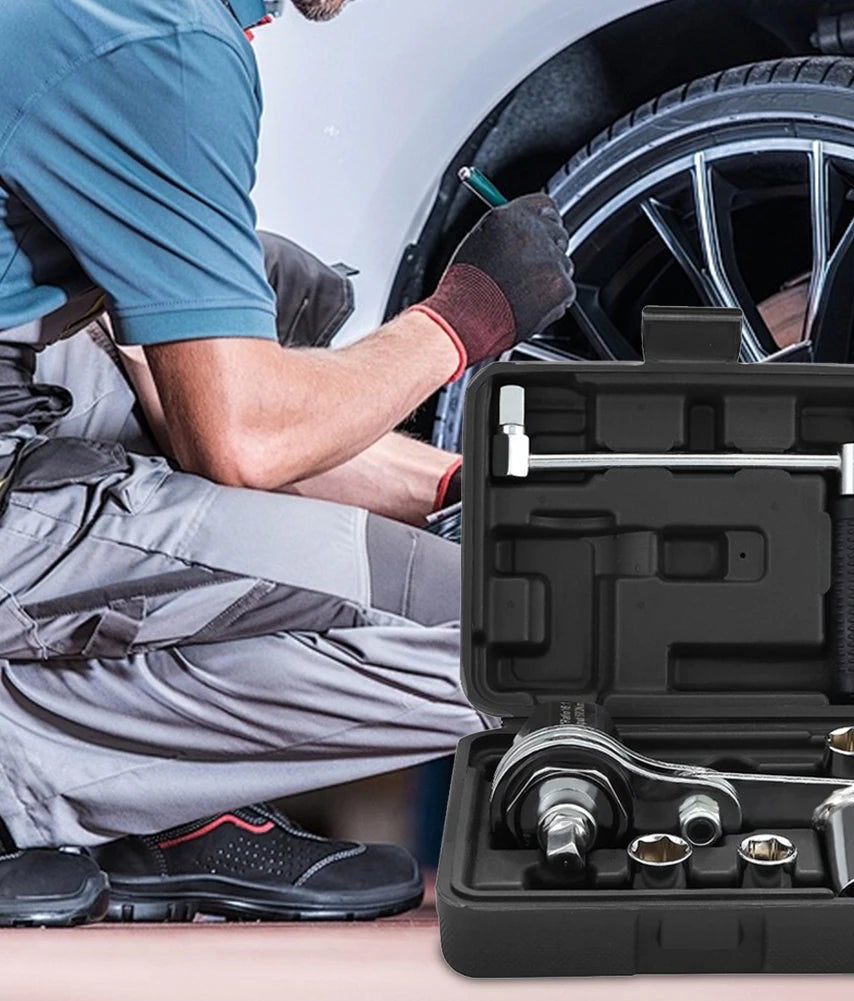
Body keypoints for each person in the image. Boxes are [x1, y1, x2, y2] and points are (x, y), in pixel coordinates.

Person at [0, 0, 575, 924]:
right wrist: (464, 319)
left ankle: (135, 791)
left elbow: (173, 383)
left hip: (26, 392)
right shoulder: (162, 41)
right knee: (542, 637)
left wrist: (462, 488)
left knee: (273, 286)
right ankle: (40, 780)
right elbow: (244, 439)